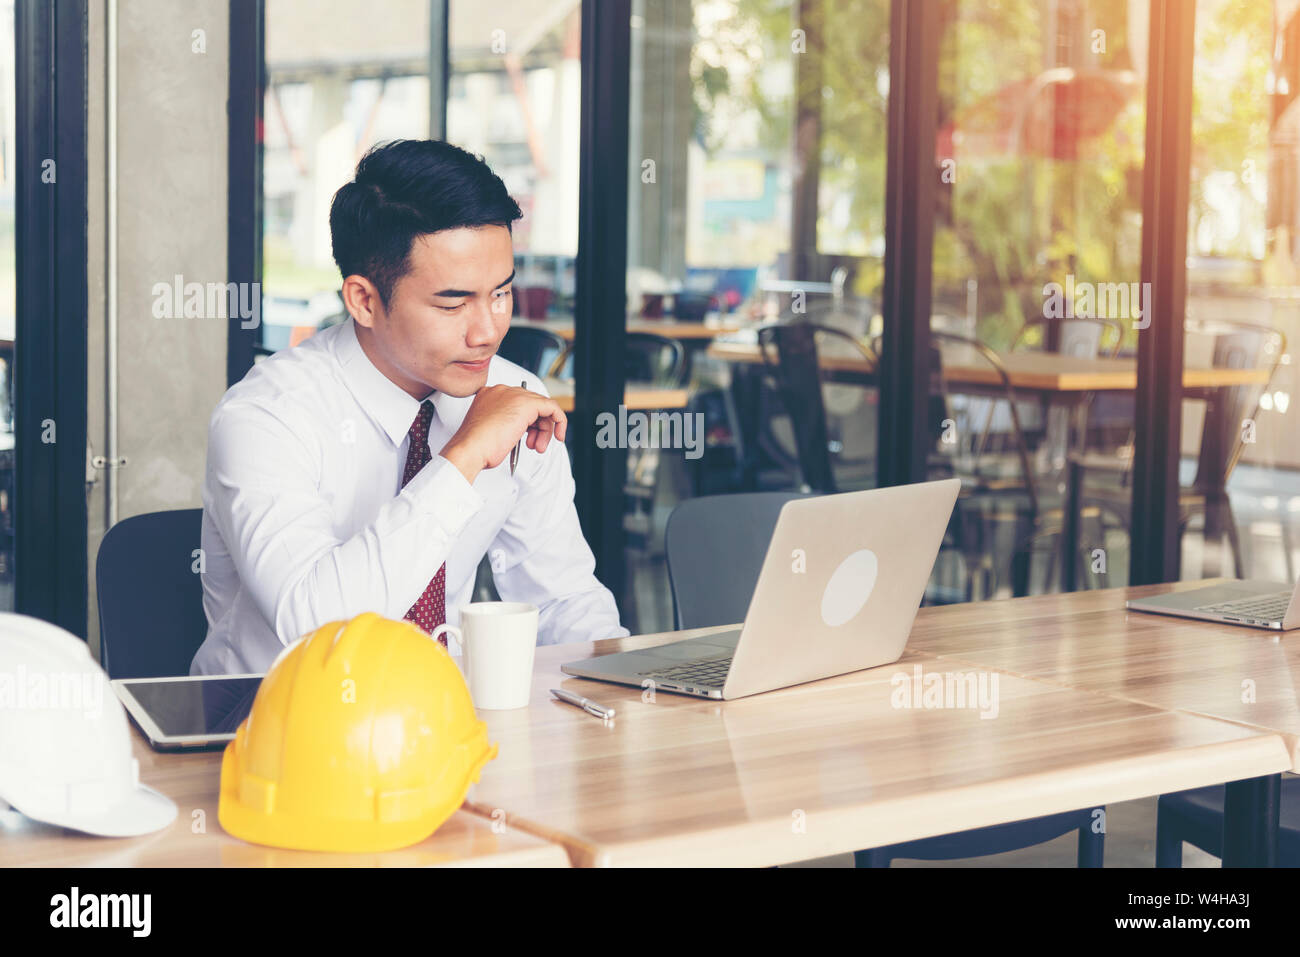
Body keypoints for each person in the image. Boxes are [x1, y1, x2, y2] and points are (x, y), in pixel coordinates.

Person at [191, 139, 628, 676]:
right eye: (453, 302)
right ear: (365, 301)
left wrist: (634, 691)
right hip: (271, 730)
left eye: (501, 293)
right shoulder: (266, 417)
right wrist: (462, 459)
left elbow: (562, 599)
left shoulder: (512, 396)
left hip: (439, 725)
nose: (489, 330)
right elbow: (316, 626)